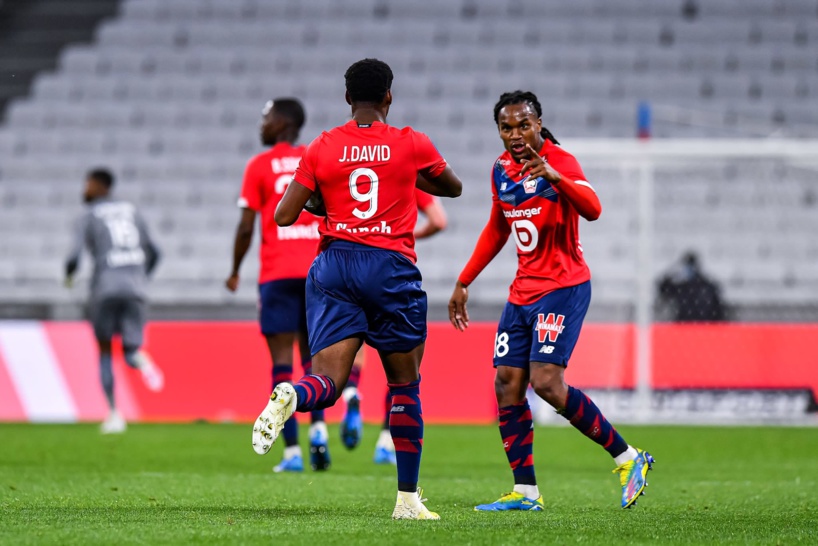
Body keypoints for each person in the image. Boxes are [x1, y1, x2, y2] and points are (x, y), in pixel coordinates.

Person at [251, 58, 462, 520]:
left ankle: (292, 396)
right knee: (404, 385)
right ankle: (407, 501)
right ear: (389, 96)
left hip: (334, 266)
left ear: (347, 98)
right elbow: (453, 188)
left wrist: (321, 200)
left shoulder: (322, 146)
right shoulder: (410, 142)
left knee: (327, 382)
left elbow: (283, 216)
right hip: (390, 267)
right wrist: (403, 173)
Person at [448, 91, 654, 511]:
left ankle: (629, 457)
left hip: (563, 287)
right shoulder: (501, 169)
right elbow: (498, 228)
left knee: (545, 382)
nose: (515, 134)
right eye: (506, 127)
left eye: (523, 125)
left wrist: (556, 177)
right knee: (507, 382)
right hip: (522, 292)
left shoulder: (561, 161)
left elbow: (593, 209)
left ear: (538, 124)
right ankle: (525, 492)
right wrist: (464, 280)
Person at [226, 98, 331, 472]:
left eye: (267, 117)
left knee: (282, 362)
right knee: (314, 360)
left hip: (277, 274)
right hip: (317, 273)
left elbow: (246, 227)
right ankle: (319, 431)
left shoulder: (258, 165)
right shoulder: (316, 159)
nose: (262, 124)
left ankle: (291, 453)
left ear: (283, 123)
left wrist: (235, 270)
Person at [340, 190, 448, 465]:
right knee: (399, 365)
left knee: (356, 343)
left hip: (353, 269)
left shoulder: (355, 173)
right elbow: (439, 220)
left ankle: (351, 392)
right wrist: (414, 234)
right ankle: (386, 441)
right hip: (394, 273)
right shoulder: (407, 176)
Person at [64, 168, 164, 434]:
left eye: (88, 183)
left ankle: (114, 414)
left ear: (100, 185)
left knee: (105, 351)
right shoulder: (133, 211)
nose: (85, 189)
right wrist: (141, 277)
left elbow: (74, 257)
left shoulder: (89, 214)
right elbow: (156, 252)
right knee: (130, 351)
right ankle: (141, 361)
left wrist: (69, 276)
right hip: (135, 289)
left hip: (105, 289)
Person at [657, 251, 727, 322]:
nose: (688, 269)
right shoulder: (681, 287)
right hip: (684, 324)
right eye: (686, 267)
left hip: (703, 324)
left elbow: (717, 308)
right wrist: (672, 273)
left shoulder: (707, 286)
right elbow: (663, 289)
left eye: (690, 266)